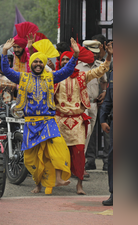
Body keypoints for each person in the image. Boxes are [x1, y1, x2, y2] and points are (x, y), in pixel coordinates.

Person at [0, 37, 80, 194]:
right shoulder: (23, 78)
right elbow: (7, 71)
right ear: (31, 64)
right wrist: (4, 51)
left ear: (44, 64)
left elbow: (67, 71)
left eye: (40, 62)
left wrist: (75, 55)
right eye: (35, 62)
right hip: (31, 122)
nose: (38, 64)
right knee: (33, 158)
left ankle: (57, 178)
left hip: (48, 121)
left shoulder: (51, 77)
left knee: (58, 146)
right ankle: (37, 184)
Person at [54, 42, 112, 195]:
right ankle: (57, 178)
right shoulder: (55, 77)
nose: (66, 62)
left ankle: (79, 185)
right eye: (63, 60)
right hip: (60, 120)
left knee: (80, 152)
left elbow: (100, 71)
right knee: (58, 151)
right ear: (60, 63)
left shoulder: (82, 76)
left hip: (77, 121)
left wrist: (109, 56)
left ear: (74, 62)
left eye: (69, 60)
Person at [79, 37, 109, 174]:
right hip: (80, 106)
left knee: (88, 134)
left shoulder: (99, 65)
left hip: (94, 105)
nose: (94, 54)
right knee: (82, 136)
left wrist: (103, 91)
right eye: (92, 52)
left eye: (96, 52)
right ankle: (79, 166)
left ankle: (80, 164)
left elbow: (103, 80)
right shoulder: (76, 66)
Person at [100, 64, 113, 206]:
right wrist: (103, 119)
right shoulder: (114, 73)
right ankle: (114, 193)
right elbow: (108, 99)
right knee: (114, 157)